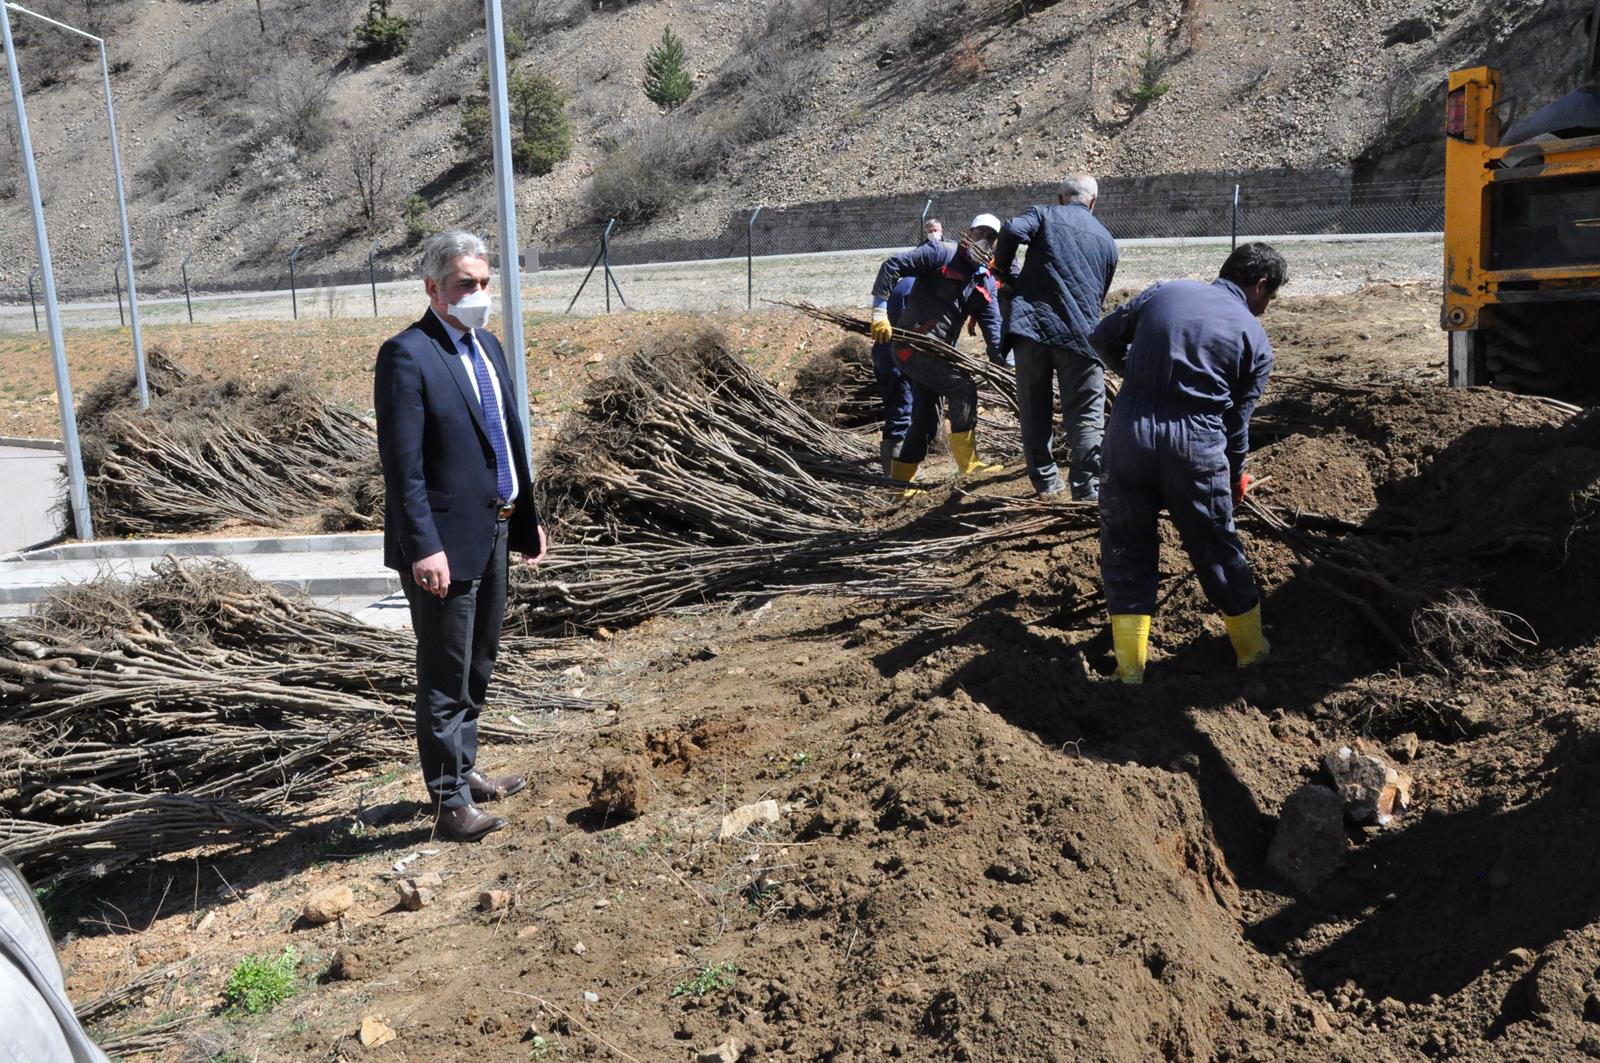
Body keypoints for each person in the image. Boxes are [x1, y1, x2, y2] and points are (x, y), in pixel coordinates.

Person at [374, 230, 548, 841]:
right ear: (432, 289)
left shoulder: (488, 346)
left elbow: (505, 438)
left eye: (483, 283)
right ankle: (449, 803)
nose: (477, 294)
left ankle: (465, 769)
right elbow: (404, 467)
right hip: (443, 547)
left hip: (494, 530)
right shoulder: (408, 355)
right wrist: (424, 546)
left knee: (479, 661)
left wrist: (525, 517)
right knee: (445, 673)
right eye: (463, 285)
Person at [1090, 242, 1287, 683]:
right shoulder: (1254, 338)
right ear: (1259, 286)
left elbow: (1101, 338)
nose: (1266, 309)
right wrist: (1236, 475)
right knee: (1217, 547)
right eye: (1269, 299)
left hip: (1128, 438)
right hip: (1196, 447)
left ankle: (1130, 671)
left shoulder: (1163, 291)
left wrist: (1139, 377)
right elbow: (1237, 423)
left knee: (1126, 548)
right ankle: (1252, 652)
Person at [994, 172, 1119, 499]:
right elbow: (1099, 295)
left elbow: (1010, 230)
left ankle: (1047, 484)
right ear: (1093, 202)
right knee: (1087, 416)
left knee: (1034, 410)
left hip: (1032, 329)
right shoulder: (1107, 240)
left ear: (1061, 197)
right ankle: (1087, 490)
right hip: (1081, 337)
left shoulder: (1043, 214)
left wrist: (1002, 269)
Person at [869, 214, 1007, 489]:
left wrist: (1006, 361)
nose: (985, 241)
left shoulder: (985, 281)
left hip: (939, 354)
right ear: (969, 232)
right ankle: (968, 465)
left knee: (926, 420)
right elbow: (892, 265)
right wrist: (879, 311)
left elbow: (994, 328)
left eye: (992, 238)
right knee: (962, 387)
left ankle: (900, 485)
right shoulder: (941, 253)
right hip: (912, 347)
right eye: (980, 233)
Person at [871, 275, 917, 474]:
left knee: (901, 412)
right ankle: (898, 476)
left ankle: (901, 470)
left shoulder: (906, 284)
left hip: (889, 355)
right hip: (898, 358)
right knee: (901, 414)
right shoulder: (914, 287)